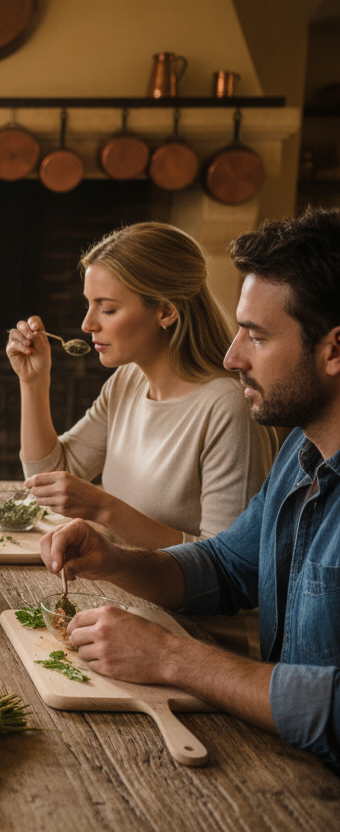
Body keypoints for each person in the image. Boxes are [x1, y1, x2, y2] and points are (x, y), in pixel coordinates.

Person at [40, 208, 340, 771]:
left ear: (334, 350)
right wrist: (117, 561)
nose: (232, 358)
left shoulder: (228, 409)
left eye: (256, 336)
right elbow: (227, 566)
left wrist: (175, 658)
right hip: (278, 760)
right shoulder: (301, 457)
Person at [7, 223, 276, 550]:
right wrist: (33, 381)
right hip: (114, 585)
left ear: (165, 311)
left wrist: (104, 509)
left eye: (107, 308)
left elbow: (228, 565)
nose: (87, 324)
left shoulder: (228, 409)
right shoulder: (127, 381)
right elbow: (50, 475)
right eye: (89, 304)